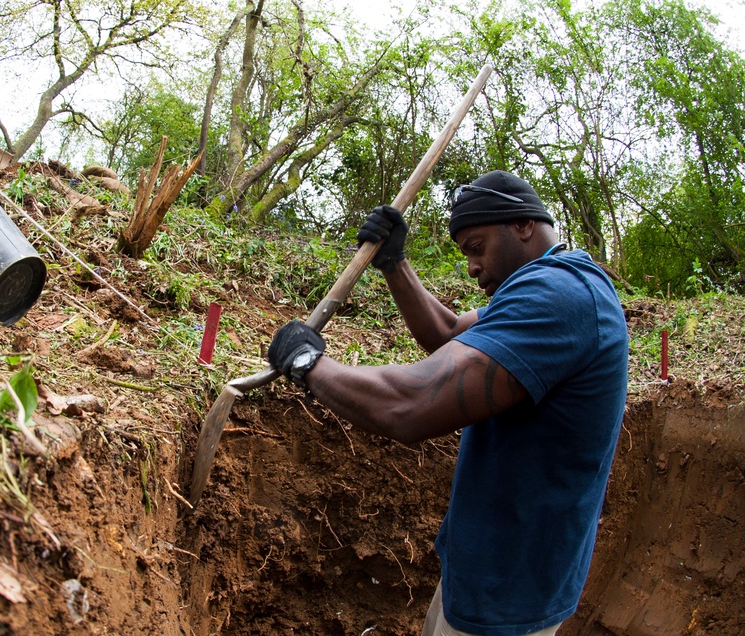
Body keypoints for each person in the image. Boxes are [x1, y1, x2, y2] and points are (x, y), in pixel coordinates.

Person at [266, 170, 629, 636]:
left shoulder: (560, 297)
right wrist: (395, 264)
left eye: (477, 248)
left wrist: (309, 363)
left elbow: (410, 404)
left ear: (522, 226)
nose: (473, 267)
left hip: (508, 592)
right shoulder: (542, 287)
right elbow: (451, 333)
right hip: (485, 568)